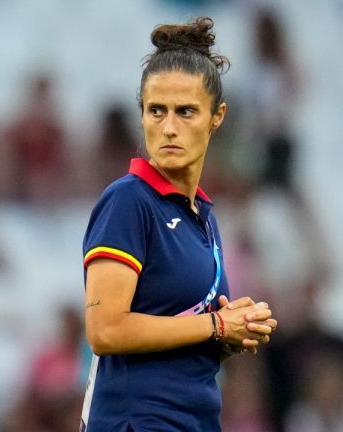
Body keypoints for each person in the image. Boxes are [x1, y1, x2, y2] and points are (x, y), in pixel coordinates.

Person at [80, 17, 278, 432]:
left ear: (216, 116)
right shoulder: (129, 201)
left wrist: (230, 337)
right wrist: (216, 324)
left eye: (186, 111)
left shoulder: (203, 216)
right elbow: (105, 330)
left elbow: (180, 341)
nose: (169, 127)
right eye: (157, 111)